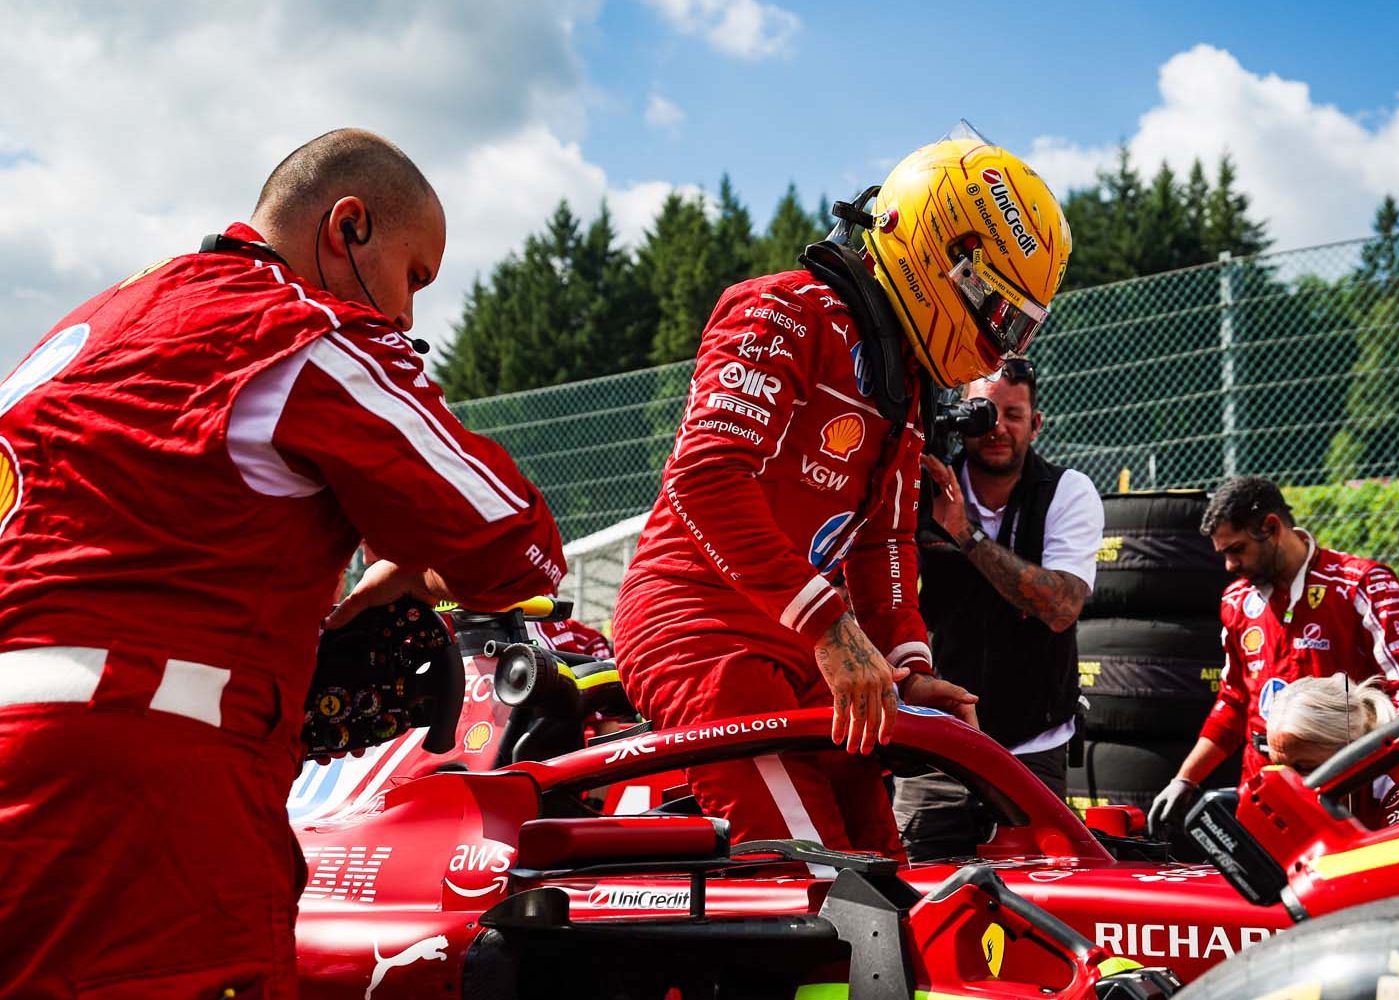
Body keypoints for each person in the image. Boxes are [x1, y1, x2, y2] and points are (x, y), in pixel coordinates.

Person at [0, 129, 565, 998]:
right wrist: (418, 564)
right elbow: (512, 547)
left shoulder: (85, 323)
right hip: (139, 790)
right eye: (413, 275)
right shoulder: (304, 331)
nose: (409, 316)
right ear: (348, 228)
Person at [611, 127, 1069, 857]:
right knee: (818, 884)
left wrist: (912, 672)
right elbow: (705, 480)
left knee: (881, 868)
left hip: (804, 648)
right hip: (698, 632)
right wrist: (832, 628)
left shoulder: (904, 384)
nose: (1001, 342)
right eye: (1000, 312)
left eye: (1021, 328)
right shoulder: (781, 310)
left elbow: (885, 545)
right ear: (943, 259)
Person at [1146, 476, 1399, 838]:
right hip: (1266, 797)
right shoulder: (1236, 602)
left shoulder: (1360, 584)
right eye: (1223, 554)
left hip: (1348, 799)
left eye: (1237, 549)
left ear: (1271, 528)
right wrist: (1185, 779)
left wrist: (1381, 781)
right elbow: (1234, 702)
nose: (1229, 566)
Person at [897, 360, 1103, 859]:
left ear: (1036, 424)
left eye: (1013, 414)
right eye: (982, 411)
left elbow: (1060, 607)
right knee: (917, 891)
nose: (997, 427)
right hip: (937, 745)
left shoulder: (1067, 490)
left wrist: (964, 534)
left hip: (1032, 749)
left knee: (1038, 901)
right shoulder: (919, 486)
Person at [1262, 676, 1399, 829]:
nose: (1291, 782)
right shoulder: (1355, 775)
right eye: (1281, 767)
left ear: (1349, 747)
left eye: (1305, 768)